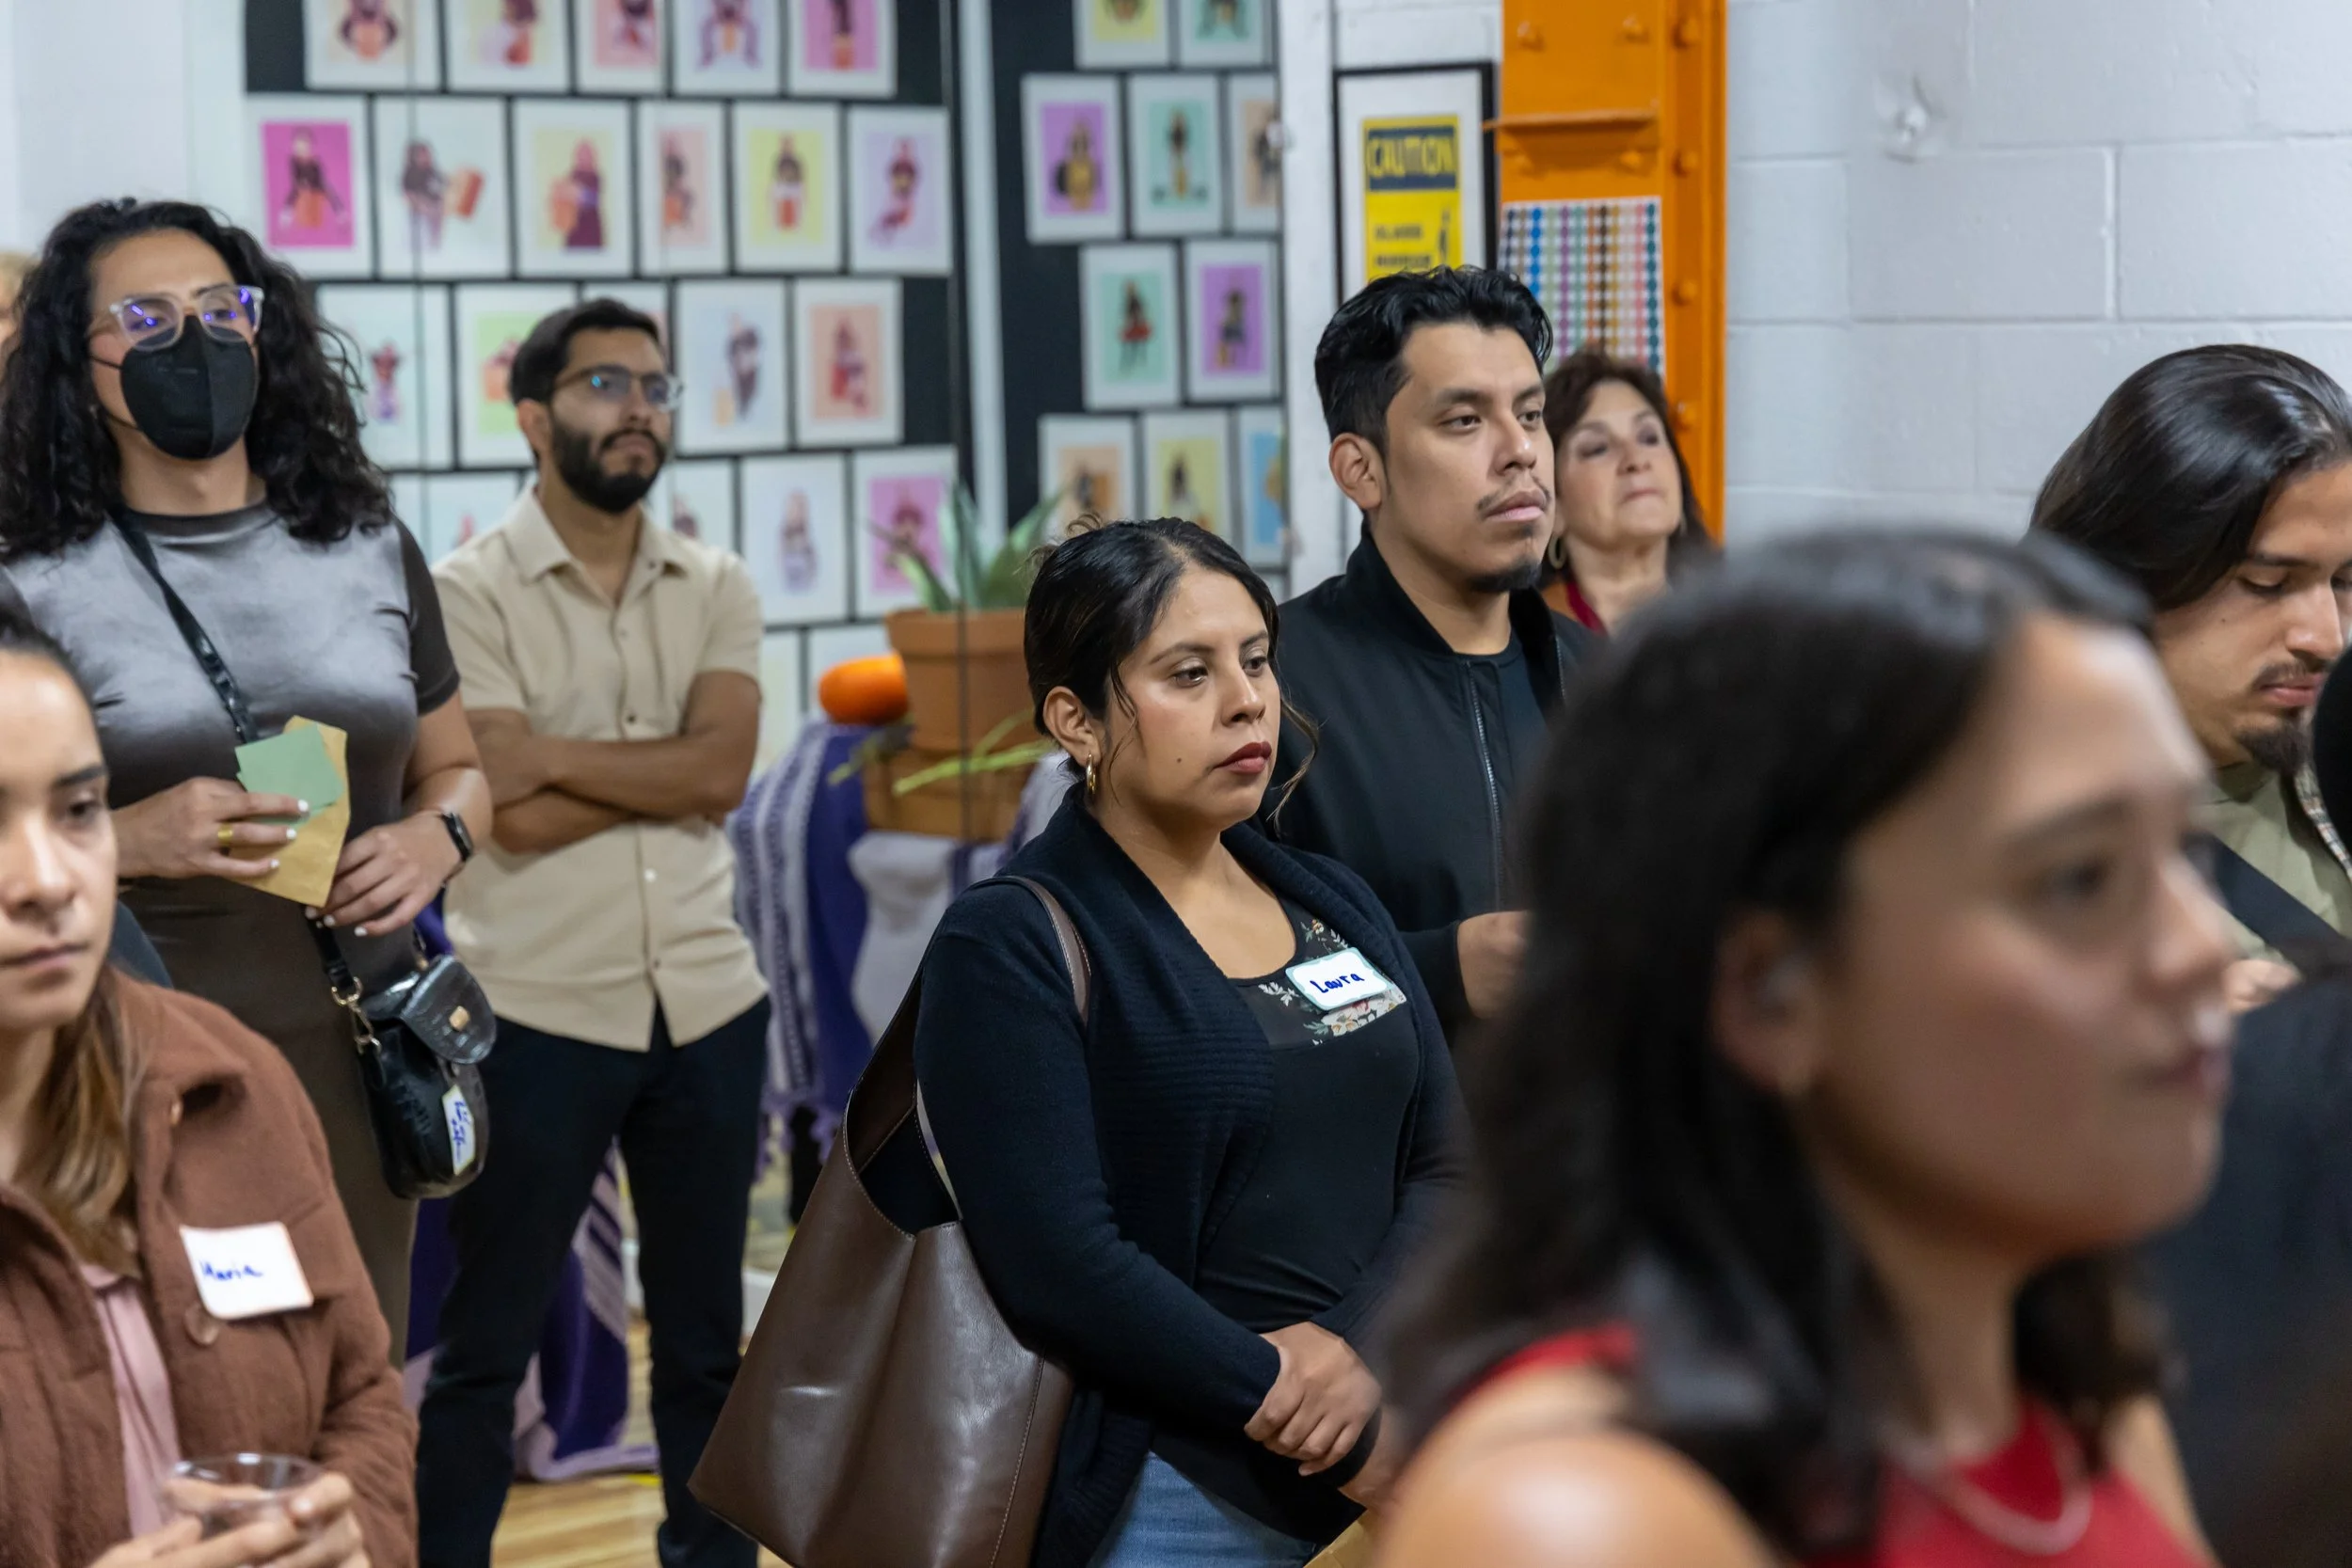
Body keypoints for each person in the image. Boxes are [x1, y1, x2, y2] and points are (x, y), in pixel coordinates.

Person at [1377, 531, 2233, 1568]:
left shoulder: (2075, 1394)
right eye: (2078, 878)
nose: (2197, 946)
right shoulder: (1581, 1514)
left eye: (2183, 850)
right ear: (1765, 989)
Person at [912, 519, 1463, 1568]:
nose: (1246, 698)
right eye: (1187, 671)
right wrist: (1299, 1404)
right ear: (1074, 719)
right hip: (1179, 1486)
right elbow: (1059, 1263)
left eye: (1255, 659)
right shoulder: (1013, 938)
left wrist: (1353, 1350)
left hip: (1389, 1432)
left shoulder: (1326, 893)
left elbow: (1448, 1158)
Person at [0, 198, 492, 1345]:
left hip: (365, 1052)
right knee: (199, 1402)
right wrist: (131, 837)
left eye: (224, 308)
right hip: (139, 1061)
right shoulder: (31, 582)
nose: (198, 339)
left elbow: (459, 765)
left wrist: (438, 837)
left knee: (360, 1390)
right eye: (149, 315)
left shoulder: (366, 541)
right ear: (80, 363)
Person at [421, 298, 771, 1568]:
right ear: (532, 415)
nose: (639, 408)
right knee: (484, 1343)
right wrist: (643, 766)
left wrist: (550, 762)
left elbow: (722, 771)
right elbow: (496, 808)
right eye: (606, 383)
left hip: (708, 1007)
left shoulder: (717, 582)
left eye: (658, 387)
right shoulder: (463, 592)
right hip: (537, 1012)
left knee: (703, 1348)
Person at [0, 608, 415, 1568]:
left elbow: (361, 1398)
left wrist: (352, 1537)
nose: (48, 879)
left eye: (78, 810)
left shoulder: (226, 1080)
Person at [1263, 266, 1591, 1037]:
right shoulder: (1270, 690)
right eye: (1465, 422)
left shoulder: (1604, 681)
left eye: (1532, 414)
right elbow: (1212, 989)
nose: (1521, 452)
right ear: (1361, 469)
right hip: (1383, 1156)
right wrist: (1437, 971)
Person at [2032, 344, 2352, 1008]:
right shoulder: (1993, 829)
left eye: (2346, 582)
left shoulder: (2336, 759)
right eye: (2267, 584)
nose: (2327, 636)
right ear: (2124, 578)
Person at [1541, 345, 1713, 633]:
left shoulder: (1734, 624)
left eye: (1648, 437)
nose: (1635, 460)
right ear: (1554, 508)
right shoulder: (1527, 639)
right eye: (1598, 448)